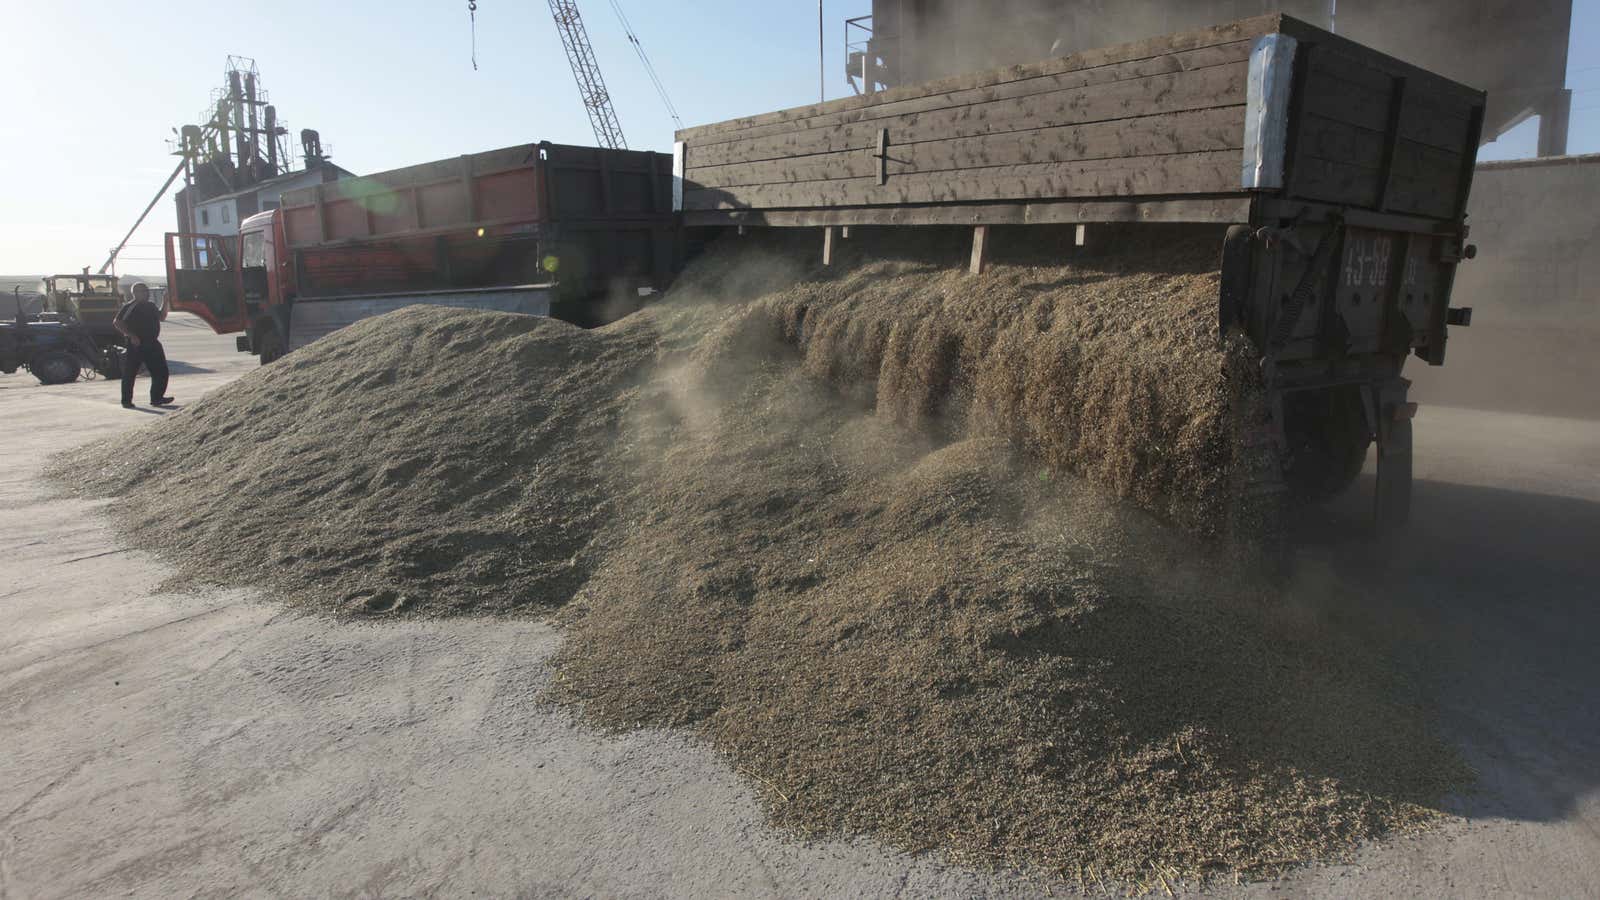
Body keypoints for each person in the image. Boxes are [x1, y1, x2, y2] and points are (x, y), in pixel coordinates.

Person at [113, 282, 172, 409]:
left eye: (146, 291)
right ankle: (126, 401)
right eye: (143, 291)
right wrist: (131, 335)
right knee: (130, 373)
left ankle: (157, 398)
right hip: (136, 344)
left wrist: (165, 301)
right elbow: (117, 322)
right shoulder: (130, 306)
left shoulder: (150, 306)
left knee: (161, 371)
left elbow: (162, 317)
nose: (146, 293)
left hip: (152, 342)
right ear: (135, 293)